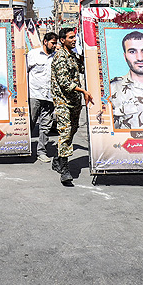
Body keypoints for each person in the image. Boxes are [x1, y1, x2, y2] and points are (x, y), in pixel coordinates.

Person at [50, 27, 93, 185]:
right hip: (62, 100)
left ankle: (57, 159)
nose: (74, 40)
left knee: (73, 130)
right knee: (66, 132)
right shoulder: (60, 57)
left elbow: (82, 69)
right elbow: (64, 82)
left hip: (74, 101)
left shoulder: (73, 55)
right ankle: (65, 170)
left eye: (74, 37)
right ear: (62, 40)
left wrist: (85, 57)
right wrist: (83, 91)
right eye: (70, 38)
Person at [27, 32, 57, 161]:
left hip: (49, 96)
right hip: (34, 94)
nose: (54, 45)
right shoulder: (33, 54)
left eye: (56, 43)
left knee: (46, 126)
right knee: (30, 123)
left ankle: (41, 152)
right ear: (45, 42)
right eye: (53, 43)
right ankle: (25, 148)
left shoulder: (56, 57)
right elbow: (25, 72)